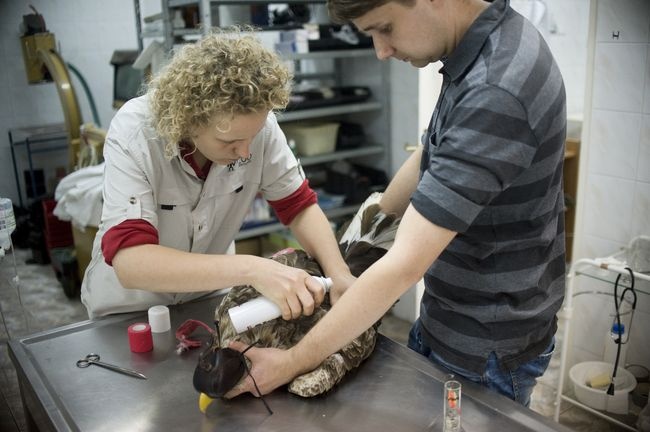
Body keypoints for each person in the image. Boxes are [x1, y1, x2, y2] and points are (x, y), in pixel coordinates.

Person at [225, 0, 567, 408]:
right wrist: (367, 234)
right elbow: (433, 152)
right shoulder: (481, 46)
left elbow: (405, 265)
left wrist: (291, 362)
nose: (381, 51)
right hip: (451, 312)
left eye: (384, 28)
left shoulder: (496, 89)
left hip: (482, 345)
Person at [81, 30, 355, 319]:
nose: (246, 152)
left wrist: (339, 274)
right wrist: (255, 269)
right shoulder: (135, 133)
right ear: (188, 120)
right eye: (229, 143)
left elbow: (298, 206)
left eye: (253, 137)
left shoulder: (256, 127)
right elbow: (131, 260)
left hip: (208, 297)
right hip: (130, 307)